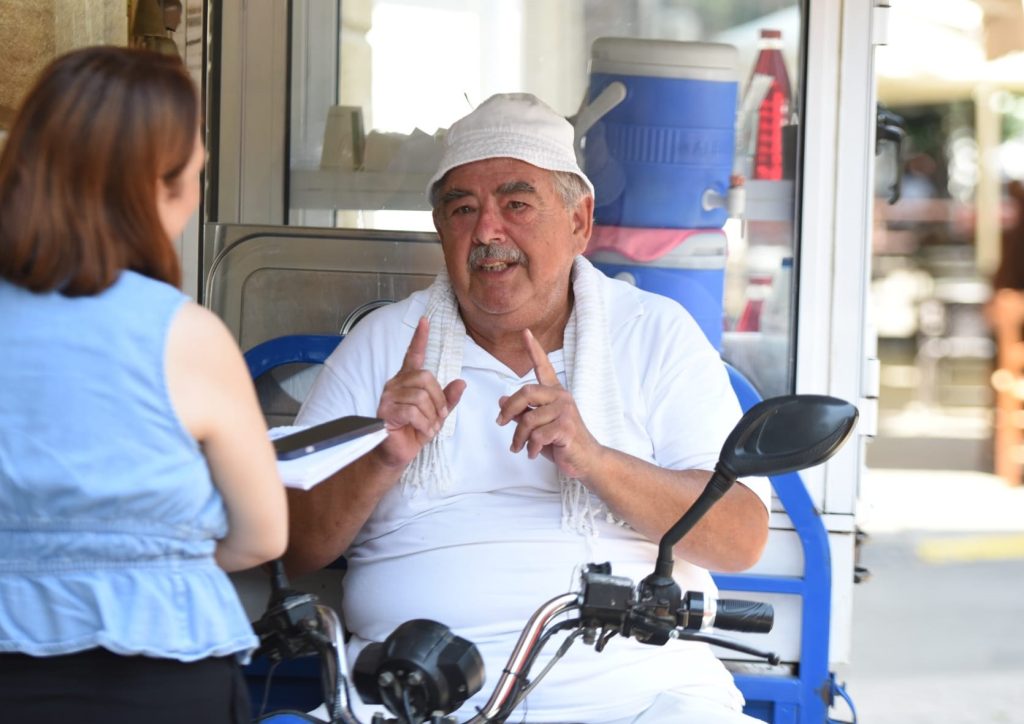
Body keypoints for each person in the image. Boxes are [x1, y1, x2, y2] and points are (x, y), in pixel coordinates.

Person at [285, 93, 770, 723]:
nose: (487, 231)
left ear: (579, 221)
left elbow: (739, 539)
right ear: (440, 231)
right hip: (415, 696)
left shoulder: (655, 333)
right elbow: (293, 546)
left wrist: (596, 461)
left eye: (516, 204)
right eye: (463, 209)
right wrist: (382, 456)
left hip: (641, 697)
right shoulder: (384, 344)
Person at [0, 47, 287, 723]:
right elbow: (263, 535)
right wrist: (146, 558)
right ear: (151, 186)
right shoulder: (185, 335)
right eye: (192, 177)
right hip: (160, 678)